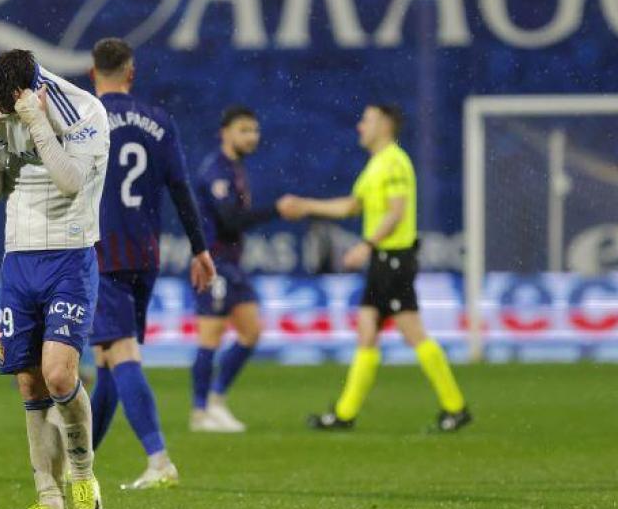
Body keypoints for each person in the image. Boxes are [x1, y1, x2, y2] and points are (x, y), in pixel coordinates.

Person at [278, 104, 472, 432]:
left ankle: (455, 407)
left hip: (394, 259)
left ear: (384, 125)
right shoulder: (377, 164)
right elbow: (353, 206)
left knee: (412, 331)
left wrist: (365, 245)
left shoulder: (394, 161)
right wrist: (308, 205)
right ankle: (344, 414)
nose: (359, 126)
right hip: (385, 261)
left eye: (366, 120)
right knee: (367, 331)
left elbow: (396, 211)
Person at [0, 49, 108, 509]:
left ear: (30, 89)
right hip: (19, 260)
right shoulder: (6, 108)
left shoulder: (84, 110)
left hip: (69, 255)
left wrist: (36, 124)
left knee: (58, 374)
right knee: (29, 385)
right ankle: (48, 497)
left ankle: (84, 479)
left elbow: (70, 182)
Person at [87, 38, 216, 489]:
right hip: (144, 255)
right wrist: (200, 249)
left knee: (121, 353)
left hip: (102, 254)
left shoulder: (85, 118)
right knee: (105, 361)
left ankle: (159, 461)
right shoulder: (160, 122)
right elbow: (181, 189)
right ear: (131, 71)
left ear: (92, 72)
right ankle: (78, 463)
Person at [191, 106, 281, 433]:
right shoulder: (216, 170)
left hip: (232, 264)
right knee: (210, 337)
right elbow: (230, 220)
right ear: (225, 132)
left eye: (255, 130)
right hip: (213, 263)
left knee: (251, 332)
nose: (252, 136)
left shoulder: (235, 168)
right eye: (244, 130)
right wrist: (276, 210)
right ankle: (200, 412)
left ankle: (216, 401)